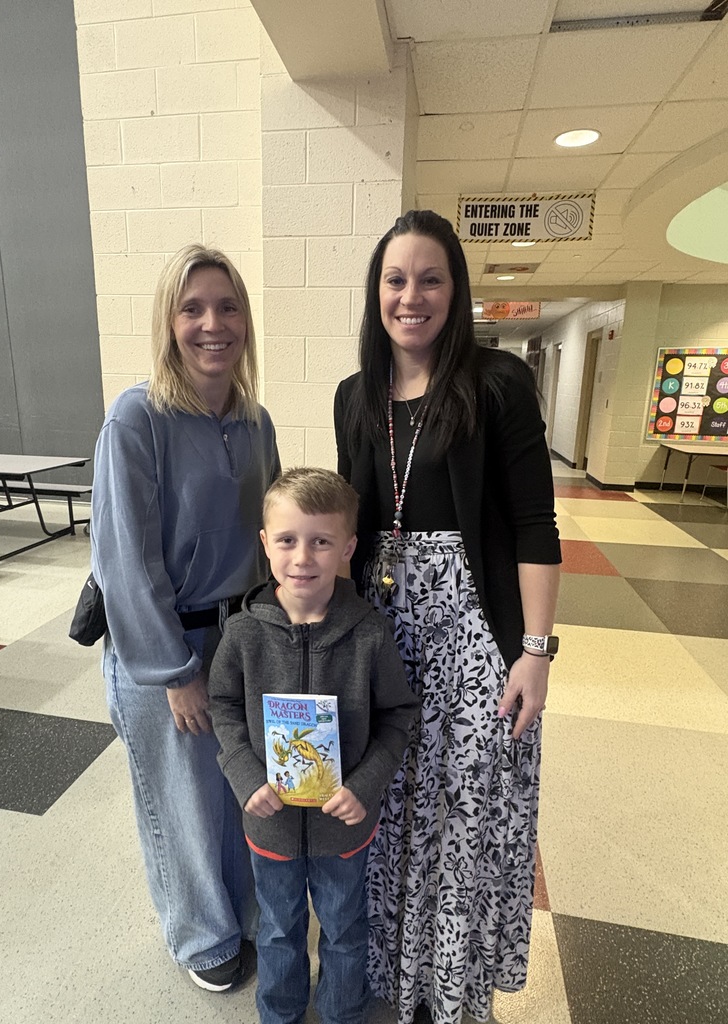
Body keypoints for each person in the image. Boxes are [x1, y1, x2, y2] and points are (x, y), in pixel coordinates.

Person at [333, 209, 561, 1024]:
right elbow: (344, 528)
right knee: (389, 804)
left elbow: (535, 522)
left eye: (431, 278)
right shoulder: (354, 395)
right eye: (396, 279)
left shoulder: (496, 384)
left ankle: (456, 989)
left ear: (456, 290)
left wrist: (534, 652)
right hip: (383, 629)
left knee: (466, 807)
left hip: (474, 629)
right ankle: (397, 981)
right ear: (377, 293)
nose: (412, 295)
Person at [90, 243, 280, 992]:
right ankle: (202, 936)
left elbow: (270, 536)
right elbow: (125, 561)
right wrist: (174, 672)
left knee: (235, 790)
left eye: (227, 307)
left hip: (240, 639)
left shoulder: (255, 421)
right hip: (164, 645)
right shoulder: (137, 418)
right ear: (169, 322)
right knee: (184, 803)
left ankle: (237, 913)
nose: (212, 323)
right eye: (193, 307)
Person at [208, 467, 419, 1024]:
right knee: (278, 930)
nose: (303, 557)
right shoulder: (243, 633)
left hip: (343, 823)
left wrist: (365, 787)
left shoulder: (369, 633)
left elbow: (398, 714)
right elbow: (224, 707)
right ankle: (279, 1014)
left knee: (346, 928)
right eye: (287, 540)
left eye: (321, 541)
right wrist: (245, 775)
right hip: (271, 820)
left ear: (348, 547)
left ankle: (342, 1013)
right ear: (265, 544)